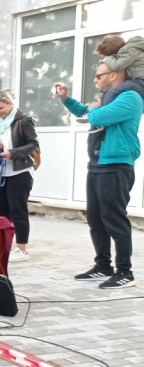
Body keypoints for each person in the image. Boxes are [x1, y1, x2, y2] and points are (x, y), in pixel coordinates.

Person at [57, 62, 144, 289]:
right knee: (96, 219)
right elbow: (87, 112)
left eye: (98, 75)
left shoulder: (131, 97)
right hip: (97, 164)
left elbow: (98, 117)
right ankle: (103, 266)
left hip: (116, 165)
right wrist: (66, 99)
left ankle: (125, 272)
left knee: (115, 219)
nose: (95, 80)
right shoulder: (108, 98)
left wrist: (94, 109)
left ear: (113, 75)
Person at [0, 90, 38, 262]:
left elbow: (33, 144)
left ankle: (22, 248)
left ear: (10, 104)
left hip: (19, 172)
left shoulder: (23, 121)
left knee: (18, 210)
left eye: (0, 108)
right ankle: (3, 245)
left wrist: (12, 153)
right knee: (0, 211)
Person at [96, 35, 144, 104]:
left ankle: (106, 109)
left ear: (113, 52)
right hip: (139, 80)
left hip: (140, 81)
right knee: (109, 93)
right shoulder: (132, 49)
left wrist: (107, 59)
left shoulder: (128, 50)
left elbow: (117, 66)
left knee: (113, 92)